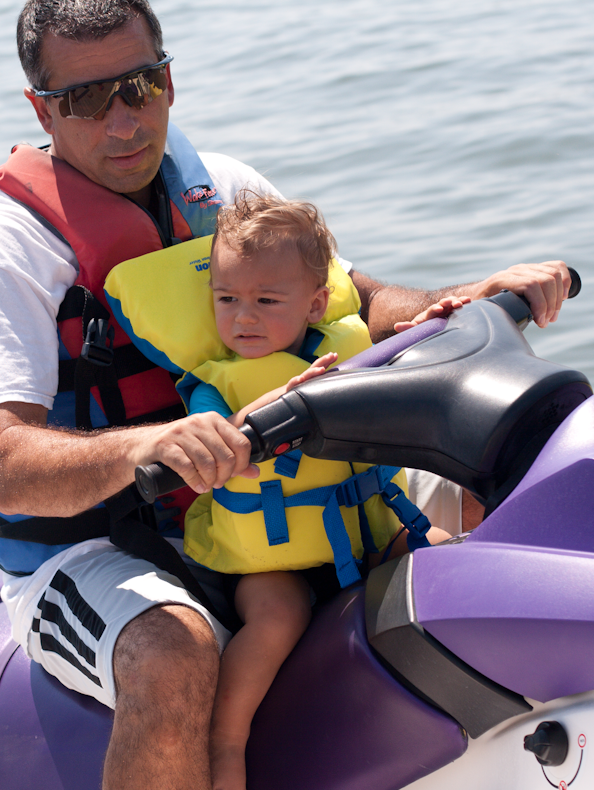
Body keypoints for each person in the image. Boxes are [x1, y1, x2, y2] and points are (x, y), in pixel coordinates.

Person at [0, 2, 573, 787]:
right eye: (87, 100)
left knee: (508, 482)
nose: (124, 121)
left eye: (139, 86)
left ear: (168, 80)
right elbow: (4, 458)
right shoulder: (6, 248)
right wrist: (149, 445)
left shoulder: (223, 193)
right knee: (173, 654)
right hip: (85, 544)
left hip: (267, 486)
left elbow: (350, 304)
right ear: (42, 108)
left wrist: (472, 296)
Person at [168, 192, 457, 790]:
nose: (242, 317)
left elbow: (407, 376)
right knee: (279, 617)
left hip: (364, 531)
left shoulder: (348, 353)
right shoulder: (211, 385)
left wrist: (440, 325)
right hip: (269, 563)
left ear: (316, 303)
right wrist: (276, 405)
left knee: (451, 550)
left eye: (266, 301)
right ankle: (226, 744)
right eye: (227, 300)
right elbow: (225, 453)